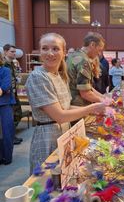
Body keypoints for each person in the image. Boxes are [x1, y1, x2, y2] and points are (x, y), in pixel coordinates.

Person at [26, 33, 107, 173]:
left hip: (62, 133)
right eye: (45, 48)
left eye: (55, 49)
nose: (50, 53)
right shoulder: (38, 77)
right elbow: (60, 115)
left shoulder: (59, 75)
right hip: (47, 137)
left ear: (64, 52)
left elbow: (66, 106)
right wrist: (91, 107)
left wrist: (94, 109)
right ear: (40, 52)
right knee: (48, 179)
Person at [67, 32, 105, 106]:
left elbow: (87, 87)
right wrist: (104, 101)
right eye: (99, 50)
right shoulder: (84, 61)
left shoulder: (73, 55)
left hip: (71, 103)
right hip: (78, 105)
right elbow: (85, 93)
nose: (99, 53)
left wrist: (103, 97)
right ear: (92, 44)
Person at [3, 44, 23, 145]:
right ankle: (10, 137)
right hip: (6, 95)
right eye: (12, 51)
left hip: (14, 93)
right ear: (5, 51)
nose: (14, 53)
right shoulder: (3, 64)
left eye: (15, 52)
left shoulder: (12, 63)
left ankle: (11, 135)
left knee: (18, 114)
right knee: (10, 116)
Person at [0, 53, 15, 165]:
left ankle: (6, 157)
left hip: (5, 104)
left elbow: (4, 87)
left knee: (6, 132)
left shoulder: (5, 70)